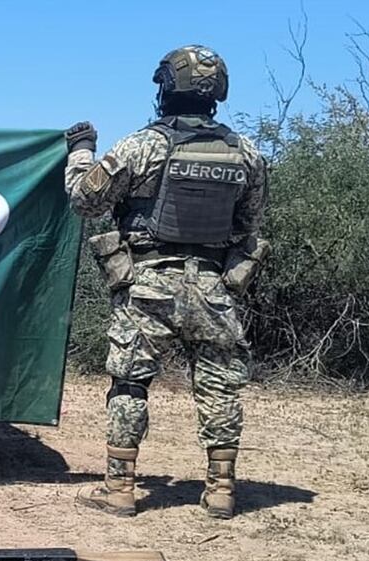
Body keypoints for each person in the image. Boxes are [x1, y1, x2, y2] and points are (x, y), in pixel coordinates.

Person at [64, 45, 270, 519]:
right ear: (217, 92)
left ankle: (120, 489)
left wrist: (80, 151)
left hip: (147, 285)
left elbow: (85, 200)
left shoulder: (142, 146)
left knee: (130, 383)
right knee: (220, 387)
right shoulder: (247, 154)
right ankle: (221, 491)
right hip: (214, 288)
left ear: (165, 88)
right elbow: (249, 223)